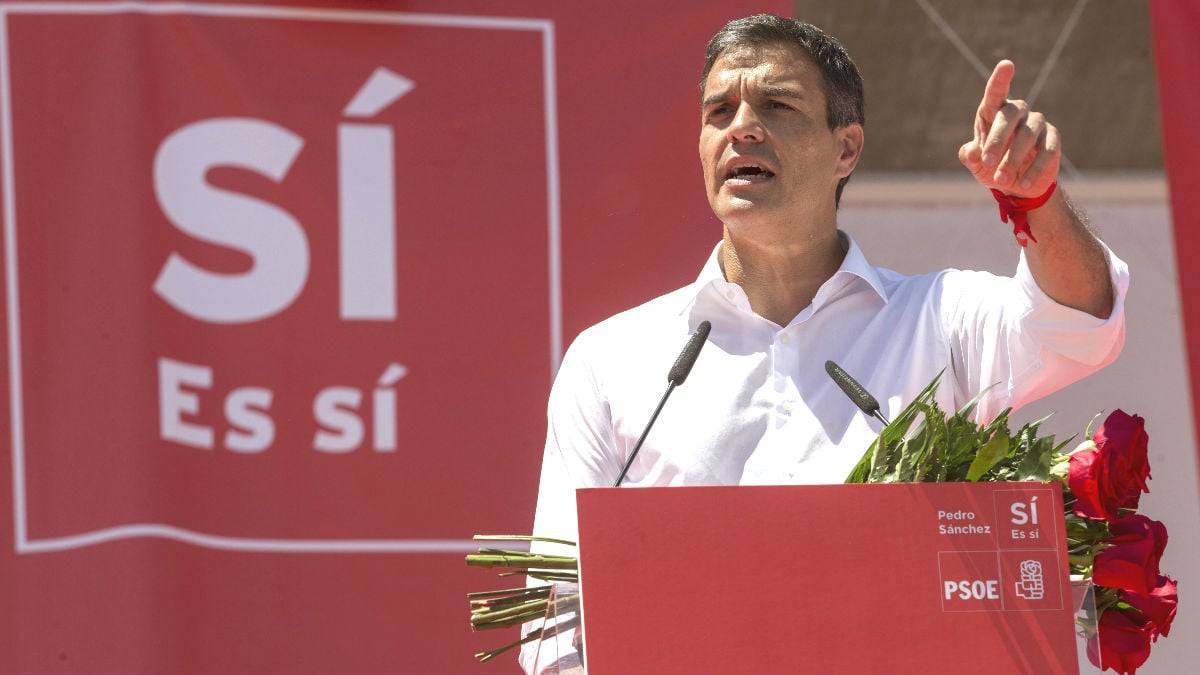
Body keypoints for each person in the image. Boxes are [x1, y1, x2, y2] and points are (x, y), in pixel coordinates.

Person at [519, 13, 1127, 674]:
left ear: (846, 148)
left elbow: (1081, 320)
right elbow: (555, 621)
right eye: (718, 111)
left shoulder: (938, 317)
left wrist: (1035, 198)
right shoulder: (613, 361)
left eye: (777, 105)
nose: (741, 127)